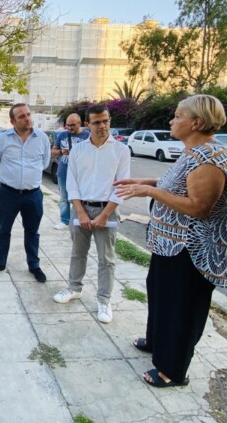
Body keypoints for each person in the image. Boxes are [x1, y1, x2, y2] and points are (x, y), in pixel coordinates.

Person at [114, 95, 227, 388]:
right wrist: (149, 183)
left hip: (191, 251)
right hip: (169, 244)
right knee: (161, 297)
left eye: (178, 115)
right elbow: (178, 184)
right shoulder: (192, 150)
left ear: (196, 122)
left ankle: (173, 370)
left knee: (181, 309)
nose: (171, 120)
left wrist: (151, 194)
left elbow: (199, 207)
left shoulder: (210, 158)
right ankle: (158, 343)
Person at [53, 104, 130, 324]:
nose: (102, 126)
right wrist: (80, 212)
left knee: (106, 258)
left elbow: (121, 186)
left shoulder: (121, 151)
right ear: (88, 124)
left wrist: (105, 215)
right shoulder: (78, 150)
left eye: (105, 121)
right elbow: (72, 182)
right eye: (96, 122)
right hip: (81, 208)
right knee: (78, 253)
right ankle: (74, 287)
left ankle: (104, 300)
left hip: (107, 210)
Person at [0, 103, 51, 282]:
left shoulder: (42, 138)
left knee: (32, 231)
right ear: (12, 121)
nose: (27, 118)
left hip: (33, 195)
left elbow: (45, 162)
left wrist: (29, 177)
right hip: (8, 194)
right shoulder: (1, 140)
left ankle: (34, 265)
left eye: (28, 114)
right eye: (22, 116)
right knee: (3, 229)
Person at [52, 113, 90, 230]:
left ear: (80, 124)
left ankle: (79, 219)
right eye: (67, 125)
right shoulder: (62, 135)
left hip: (80, 173)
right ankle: (64, 220)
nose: (69, 127)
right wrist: (62, 152)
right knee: (64, 197)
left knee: (79, 198)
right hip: (63, 171)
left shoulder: (87, 136)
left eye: (72, 125)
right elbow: (53, 151)